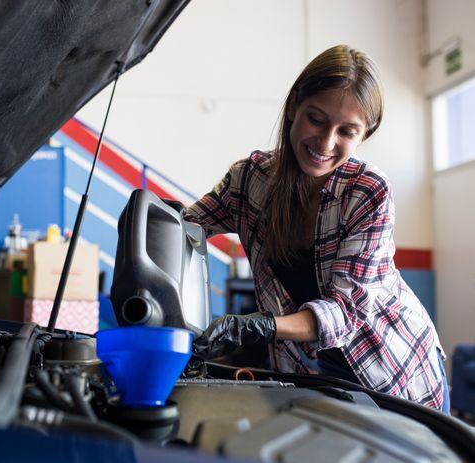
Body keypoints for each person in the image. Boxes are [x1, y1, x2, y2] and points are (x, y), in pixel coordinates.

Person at [184, 45, 449, 411]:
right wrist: (152, 216)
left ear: (364, 134)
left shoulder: (368, 192)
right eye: (317, 119)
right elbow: (188, 226)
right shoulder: (249, 180)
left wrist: (258, 326)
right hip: (306, 377)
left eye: (346, 131)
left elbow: (344, 311)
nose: (325, 143)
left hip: (392, 372)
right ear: (294, 106)